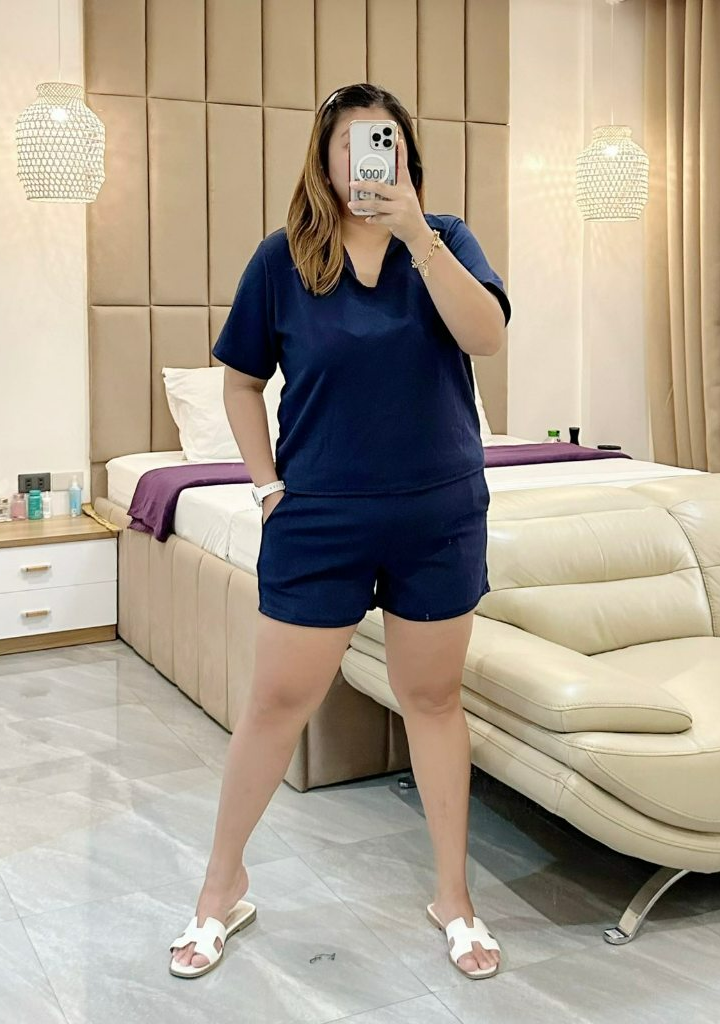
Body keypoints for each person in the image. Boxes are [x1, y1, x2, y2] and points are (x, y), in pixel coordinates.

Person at [168, 82, 511, 981]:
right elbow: (241, 380)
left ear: (406, 154)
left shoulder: (447, 238)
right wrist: (266, 487)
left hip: (439, 515)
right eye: (352, 144)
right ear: (324, 161)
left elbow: (486, 337)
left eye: (384, 142)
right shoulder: (283, 260)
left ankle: (453, 897)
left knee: (433, 701)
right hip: (318, 518)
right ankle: (221, 887)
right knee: (276, 704)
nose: (369, 160)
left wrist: (419, 235)